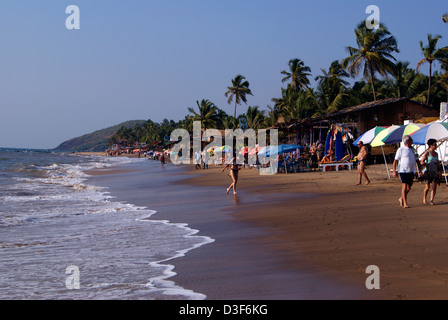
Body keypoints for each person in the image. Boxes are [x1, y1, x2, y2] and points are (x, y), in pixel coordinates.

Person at [393, 135, 423, 208]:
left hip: (411, 170)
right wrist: (394, 170)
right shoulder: (401, 149)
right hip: (403, 170)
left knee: (409, 188)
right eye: (411, 140)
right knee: (404, 186)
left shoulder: (413, 150)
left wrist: (420, 170)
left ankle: (401, 198)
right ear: (407, 141)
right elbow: (395, 161)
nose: (412, 141)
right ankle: (405, 203)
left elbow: (417, 161)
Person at [420, 139, 440, 205]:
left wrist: (439, 171)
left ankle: (431, 200)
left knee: (434, 186)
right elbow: (421, 162)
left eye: (436, 144)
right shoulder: (427, 152)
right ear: (430, 145)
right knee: (427, 187)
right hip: (428, 171)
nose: (436, 146)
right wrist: (427, 164)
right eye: (434, 144)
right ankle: (424, 197)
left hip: (435, 171)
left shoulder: (436, 154)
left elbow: (437, 163)